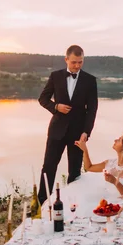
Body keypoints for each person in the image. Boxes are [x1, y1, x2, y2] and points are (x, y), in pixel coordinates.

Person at [37, 45, 98, 205]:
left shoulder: (90, 81)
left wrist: (86, 132)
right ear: (66, 60)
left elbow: (92, 109)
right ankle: (42, 205)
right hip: (57, 130)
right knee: (48, 168)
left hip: (78, 133)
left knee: (75, 172)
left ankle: (74, 206)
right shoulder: (55, 76)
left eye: (80, 62)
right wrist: (56, 107)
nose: (77, 66)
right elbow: (43, 99)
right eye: (74, 62)